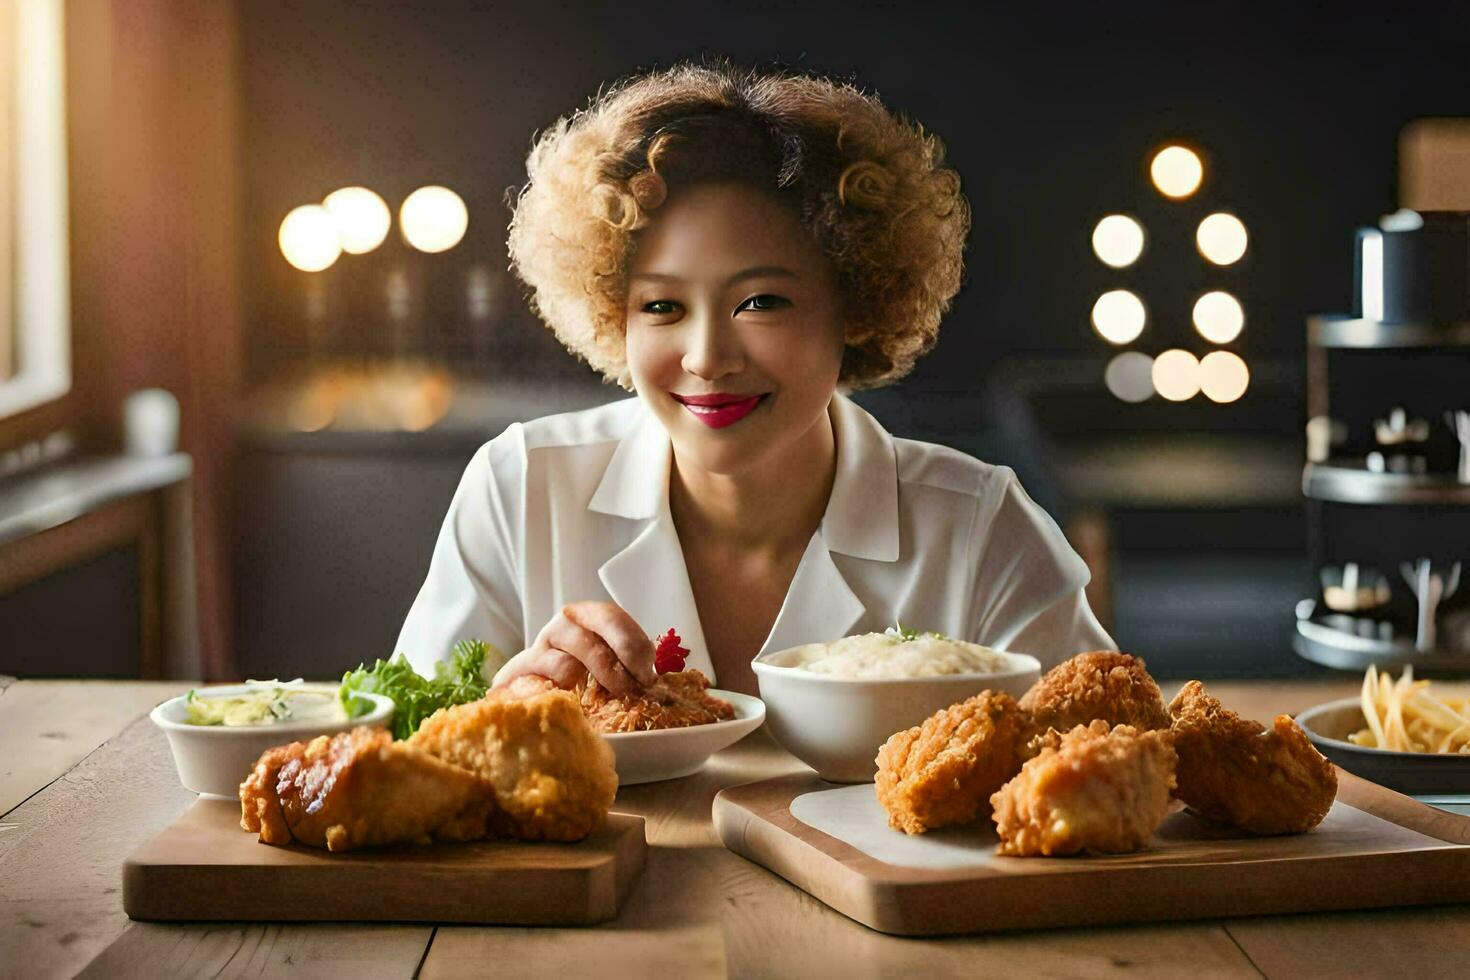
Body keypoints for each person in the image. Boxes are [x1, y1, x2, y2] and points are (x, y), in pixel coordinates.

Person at [395, 62, 1113, 697]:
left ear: (857, 305)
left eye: (761, 302)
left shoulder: (978, 528)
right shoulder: (521, 486)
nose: (706, 357)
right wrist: (505, 705)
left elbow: (1111, 753)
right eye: (662, 307)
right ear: (616, 314)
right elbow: (407, 759)